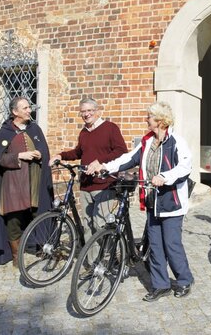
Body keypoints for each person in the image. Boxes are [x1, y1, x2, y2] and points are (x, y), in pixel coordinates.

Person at [88, 101, 194, 302]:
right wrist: (105, 166)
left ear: (160, 120)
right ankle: (161, 285)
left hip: (171, 202)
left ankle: (184, 279)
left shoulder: (176, 141)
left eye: (149, 117)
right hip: (153, 201)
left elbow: (185, 167)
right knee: (155, 245)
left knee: (171, 244)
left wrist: (164, 176)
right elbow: (127, 159)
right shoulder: (147, 142)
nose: (146, 119)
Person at [0, 96, 53, 268]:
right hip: (13, 184)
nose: (29, 110)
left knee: (38, 214)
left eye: (28, 107)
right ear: (14, 112)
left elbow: (44, 150)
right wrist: (19, 156)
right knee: (14, 219)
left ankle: (42, 247)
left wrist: (40, 153)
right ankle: (17, 255)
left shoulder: (35, 129)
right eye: (25, 108)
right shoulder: (5, 132)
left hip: (34, 181)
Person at [50, 98, 128, 267]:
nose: (86, 114)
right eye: (83, 112)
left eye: (89, 111)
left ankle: (108, 259)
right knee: (87, 226)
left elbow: (121, 151)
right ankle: (93, 264)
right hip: (86, 185)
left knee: (101, 224)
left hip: (105, 184)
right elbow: (79, 151)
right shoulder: (84, 132)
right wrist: (60, 155)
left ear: (97, 110)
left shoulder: (110, 128)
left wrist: (100, 162)